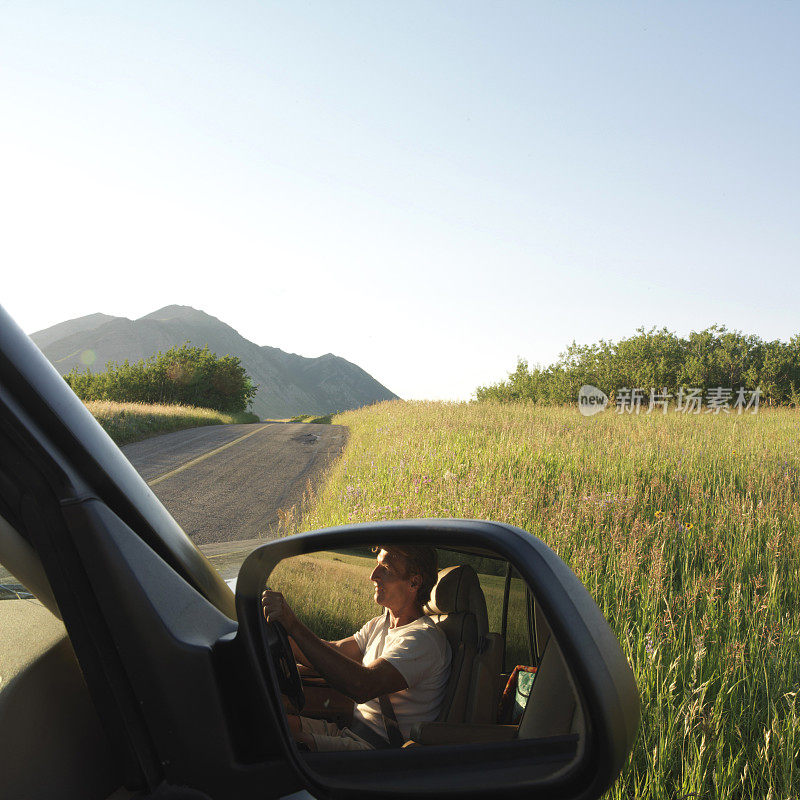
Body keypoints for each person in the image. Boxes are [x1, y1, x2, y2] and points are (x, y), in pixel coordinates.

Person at [261, 544, 452, 751]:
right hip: (351, 732)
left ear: (414, 582)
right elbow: (333, 652)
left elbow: (362, 686)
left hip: (381, 752)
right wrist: (283, 635)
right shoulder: (381, 624)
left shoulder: (423, 639)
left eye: (385, 569)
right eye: (377, 565)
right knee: (268, 724)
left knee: (278, 745)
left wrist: (294, 625)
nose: (373, 575)